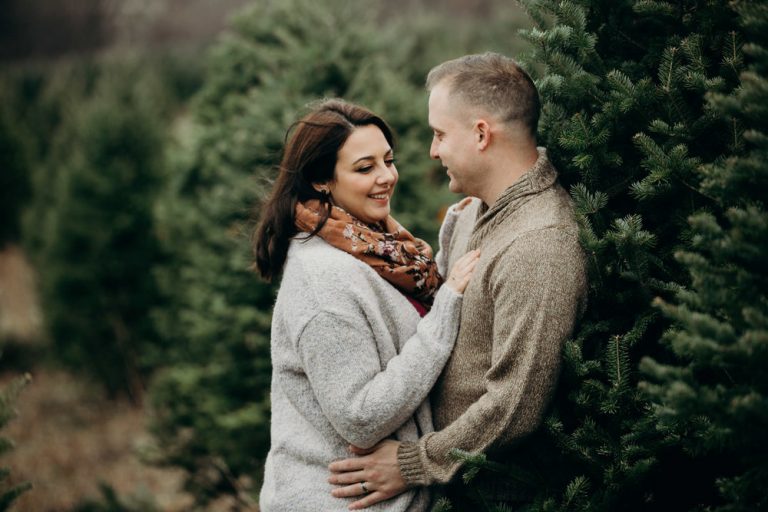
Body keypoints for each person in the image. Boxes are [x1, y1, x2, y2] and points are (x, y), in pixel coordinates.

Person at [328, 52, 588, 509]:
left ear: (481, 134)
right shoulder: (471, 213)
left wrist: (412, 463)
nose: (432, 151)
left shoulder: (540, 245)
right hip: (451, 494)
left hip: (499, 500)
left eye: (440, 134)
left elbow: (515, 405)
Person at [254, 98, 480, 511]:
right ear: (321, 180)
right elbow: (360, 417)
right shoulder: (323, 280)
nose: (386, 177)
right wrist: (448, 307)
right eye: (364, 168)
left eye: (388, 161)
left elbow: (406, 318)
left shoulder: (373, 246)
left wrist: (455, 234)